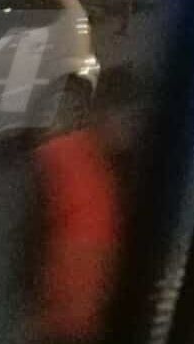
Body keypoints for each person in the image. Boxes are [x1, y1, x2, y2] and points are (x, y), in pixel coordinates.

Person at [25, 71, 134, 344]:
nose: (120, 125)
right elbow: (31, 237)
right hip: (67, 319)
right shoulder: (63, 161)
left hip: (98, 314)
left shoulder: (132, 167)